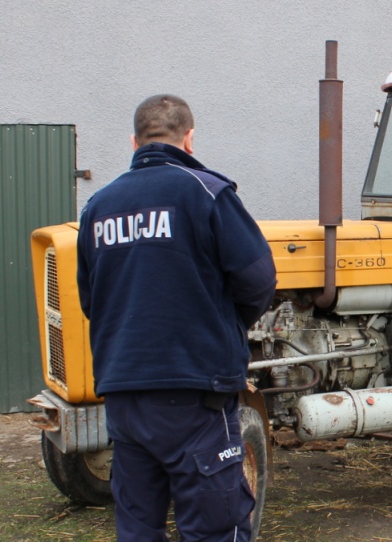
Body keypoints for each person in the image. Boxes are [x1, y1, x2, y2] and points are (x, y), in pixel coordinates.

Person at [76, 94, 277, 542]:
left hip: (124, 397)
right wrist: (221, 325)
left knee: (138, 526)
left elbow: (93, 300)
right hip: (194, 395)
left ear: (134, 142)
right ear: (189, 139)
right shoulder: (206, 192)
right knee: (214, 527)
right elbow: (259, 282)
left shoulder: (97, 207)